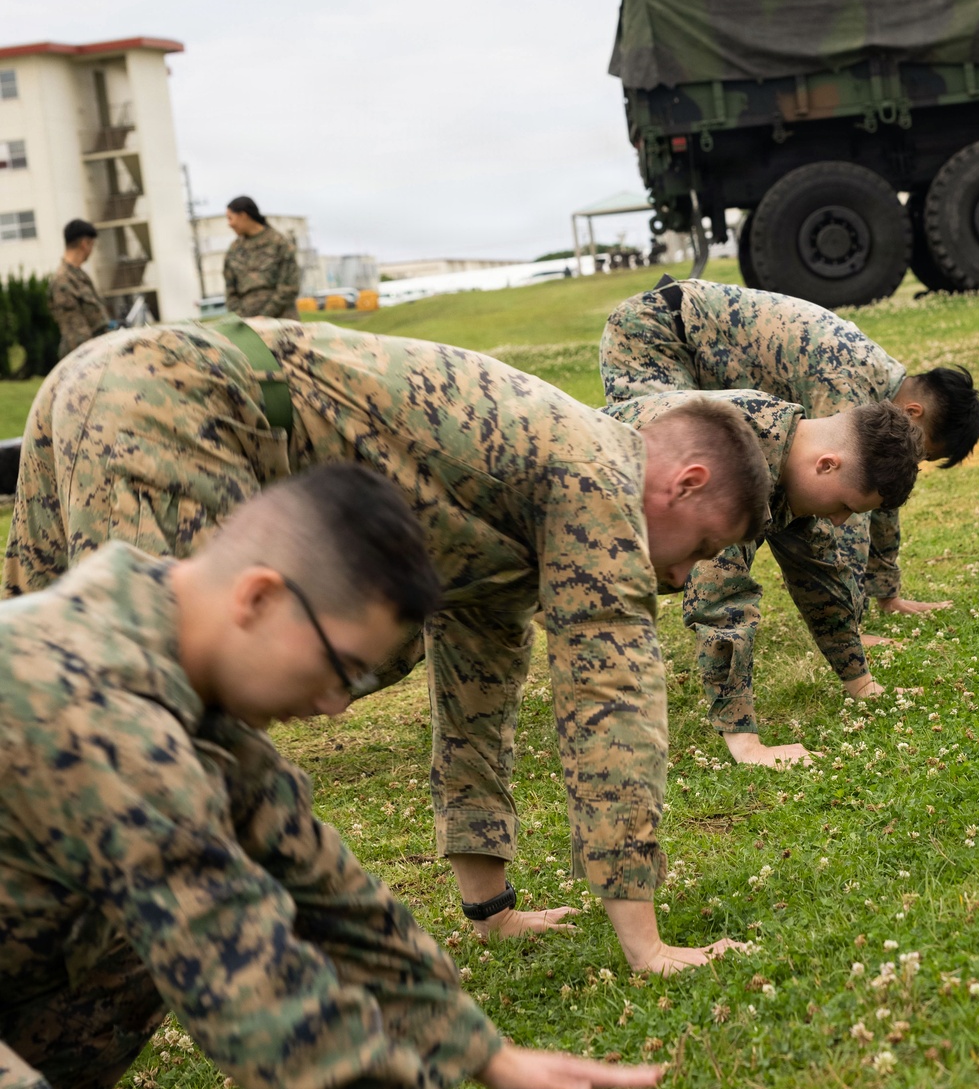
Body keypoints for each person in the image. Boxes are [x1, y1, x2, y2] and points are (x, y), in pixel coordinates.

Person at [0, 468, 661, 1089]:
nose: (335, 704)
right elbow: (239, 970)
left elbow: (319, 881)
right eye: (340, 667)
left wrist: (470, 1043)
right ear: (259, 597)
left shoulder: (159, 640)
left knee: (126, 952)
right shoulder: (94, 707)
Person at [2, 317, 771, 978]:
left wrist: (492, 910)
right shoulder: (598, 479)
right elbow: (612, 700)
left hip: (112, 379)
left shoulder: (516, 522)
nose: (683, 578)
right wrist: (647, 945)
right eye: (702, 548)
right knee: (140, 715)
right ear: (685, 482)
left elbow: (478, 701)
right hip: (170, 399)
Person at [600, 277, 948, 764]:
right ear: (827, 465)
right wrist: (746, 743)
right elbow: (721, 600)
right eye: (846, 506)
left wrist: (860, 682)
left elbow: (821, 578)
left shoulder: (787, 445)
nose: (841, 521)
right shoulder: (740, 461)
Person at [223, 196, 300, 320]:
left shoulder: (279, 243)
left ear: (243, 215)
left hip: (281, 322)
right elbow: (230, 291)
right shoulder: (234, 250)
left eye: (230, 218)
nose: (230, 224)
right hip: (247, 324)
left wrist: (264, 316)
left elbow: (289, 287)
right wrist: (241, 319)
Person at [48, 219, 111, 360]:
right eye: (92, 244)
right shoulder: (63, 280)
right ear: (84, 244)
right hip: (85, 360)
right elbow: (76, 334)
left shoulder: (79, 275)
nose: (92, 250)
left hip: (98, 352)